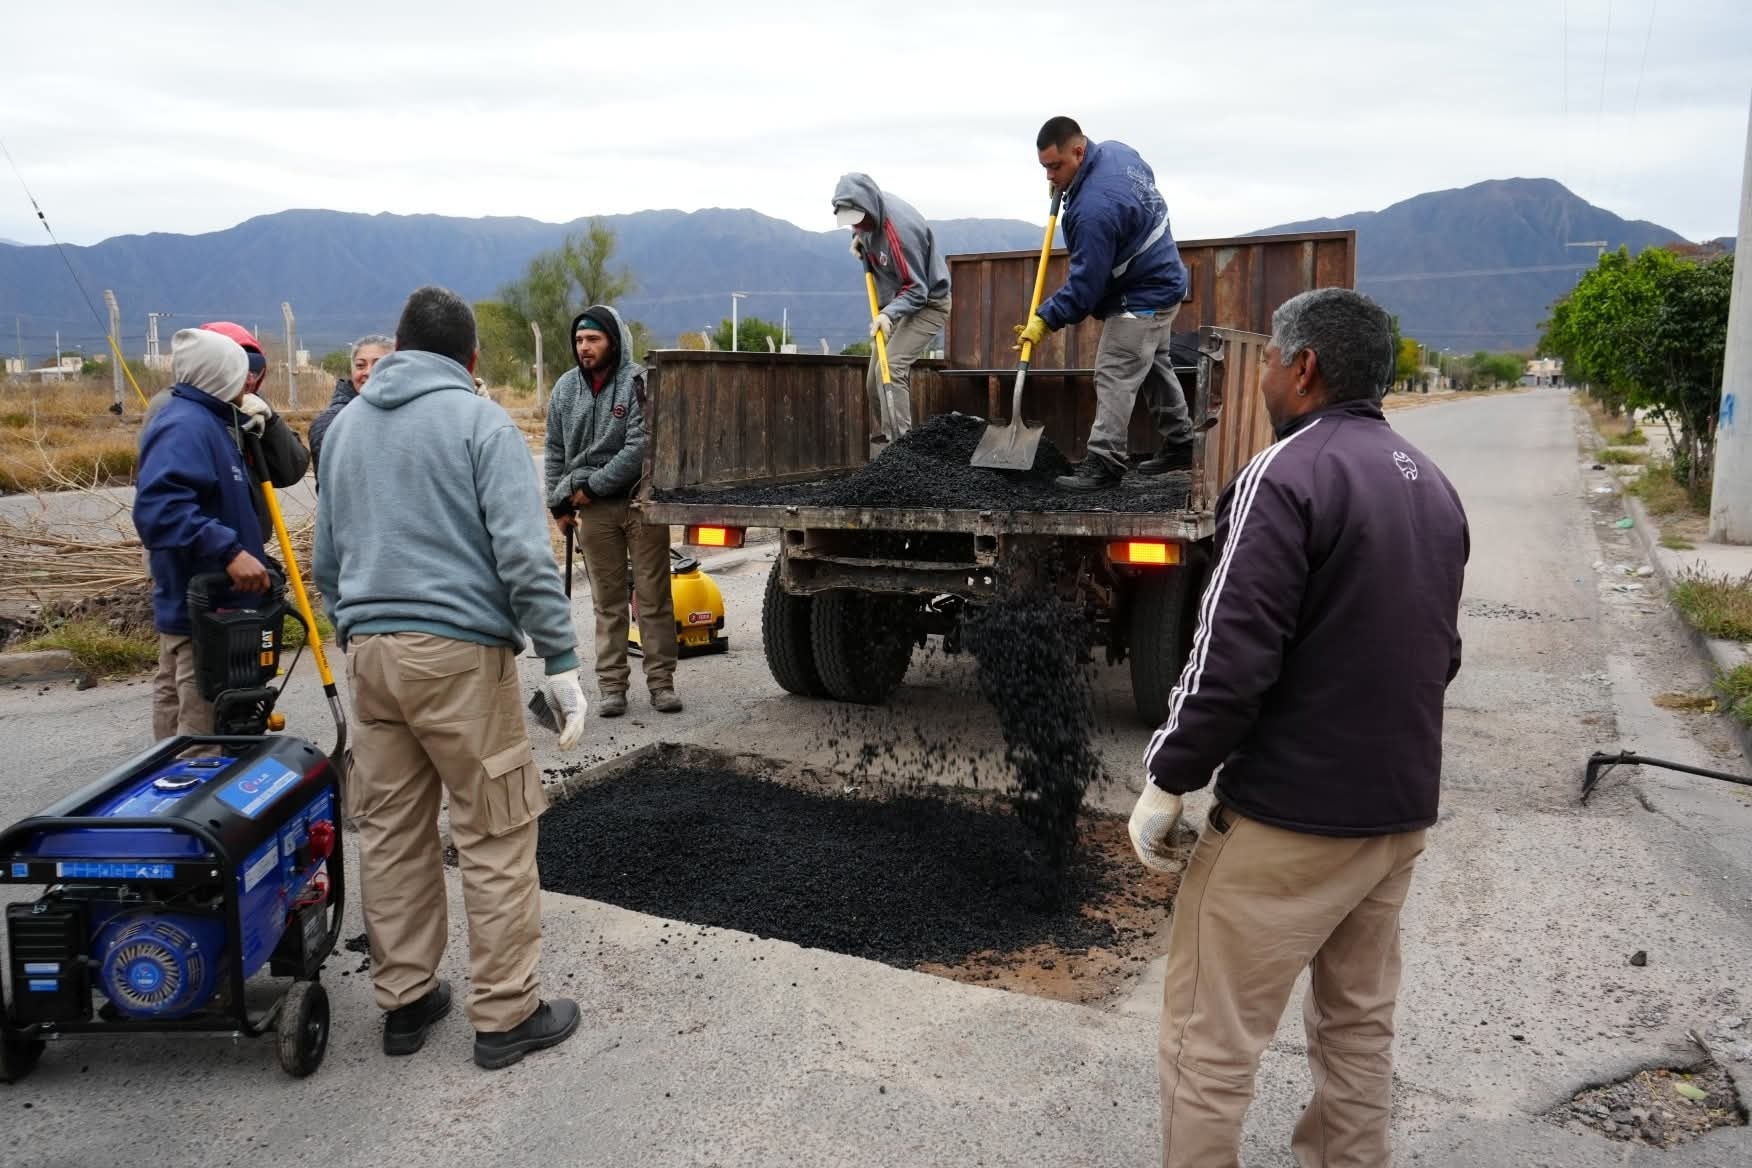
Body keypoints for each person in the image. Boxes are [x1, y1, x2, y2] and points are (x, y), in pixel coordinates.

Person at [1127, 288, 1469, 1167]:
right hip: (1396, 822)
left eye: (1273, 360)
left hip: (1288, 822)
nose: (1266, 376)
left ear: (1304, 367)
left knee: (1207, 1044)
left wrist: (1168, 779)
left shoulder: (1283, 474)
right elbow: (1441, 656)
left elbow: (1228, 661)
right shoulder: (1433, 486)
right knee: (1357, 1032)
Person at [314, 285, 585, 1070]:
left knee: (393, 832)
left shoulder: (346, 429)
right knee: (494, 830)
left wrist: (362, 626)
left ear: (397, 350)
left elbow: (327, 562)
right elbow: (523, 555)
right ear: (471, 357)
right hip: (461, 658)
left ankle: (405, 1000)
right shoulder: (480, 422)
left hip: (370, 655)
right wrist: (560, 659)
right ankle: (505, 1016)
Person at [1016, 117, 1194, 491]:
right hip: (1166, 276)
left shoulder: (1092, 212)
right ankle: (1181, 444)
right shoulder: (1117, 151)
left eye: (1055, 166)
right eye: (1045, 168)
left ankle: (1104, 463)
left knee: (1114, 369)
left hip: (1143, 294)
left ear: (1079, 152)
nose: (1050, 177)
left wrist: (1045, 319)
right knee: (1153, 364)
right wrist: (1073, 187)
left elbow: (1085, 290)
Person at [133, 328, 274, 738]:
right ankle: (190, 775)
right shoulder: (185, 426)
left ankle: (168, 771)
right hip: (203, 608)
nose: (246, 382)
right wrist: (229, 552)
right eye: (238, 372)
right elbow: (160, 508)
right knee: (204, 735)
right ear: (219, 373)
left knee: (180, 708)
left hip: (208, 605)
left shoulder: (210, 420)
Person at [544, 305, 682, 718]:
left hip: (640, 502)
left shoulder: (638, 383)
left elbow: (641, 445)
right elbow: (554, 449)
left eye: (594, 339)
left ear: (614, 341)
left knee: (653, 597)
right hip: (593, 511)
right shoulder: (565, 389)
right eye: (579, 340)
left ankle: (661, 683)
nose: (584, 347)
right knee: (608, 603)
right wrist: (557, 503)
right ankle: (612, 687)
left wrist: (591, 486)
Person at [832, 174, 951, 452]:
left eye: (858, 221)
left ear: (868, 207)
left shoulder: (901, 233)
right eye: (851, 222)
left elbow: (917, 290)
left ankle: (903, 449)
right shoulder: (866, 212)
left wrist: (888, 315)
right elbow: (861, 226)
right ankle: (889, 442)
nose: (856, 225)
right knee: (874, 381)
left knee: (892, 368)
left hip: (927, 303)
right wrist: (858, 237)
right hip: (896, 303)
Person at [308, 333, 393, 477]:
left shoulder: (413, 413)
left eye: (379, 365)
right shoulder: (331, 423)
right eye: (360, 365)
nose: (368, 372)